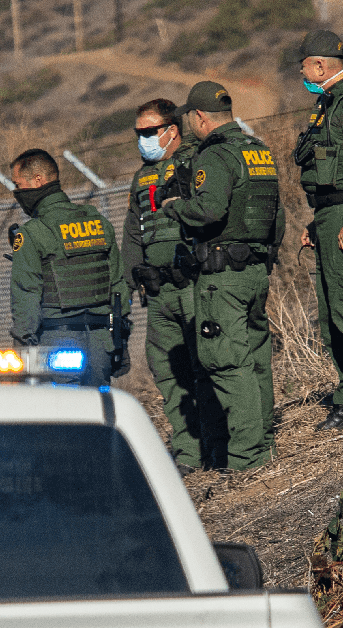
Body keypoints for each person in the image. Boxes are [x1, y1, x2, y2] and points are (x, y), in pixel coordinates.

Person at [161, 81, 284, 471]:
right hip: (255, 271)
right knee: (256, 358)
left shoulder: (214, 157)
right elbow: (276, 216)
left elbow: (209, 210)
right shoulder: (258, 151)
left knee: (227, 362)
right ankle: (264, 446)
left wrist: (175, 207)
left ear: (199, 117)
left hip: (223, 276)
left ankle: (248, 459)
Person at [123, 98, 222, 474]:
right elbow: (134, 232)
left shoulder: (198, 162)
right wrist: (131, 278)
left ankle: (217, 447)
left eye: (149, 132)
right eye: (138, 133)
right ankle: (188, 452)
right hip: (159, 291)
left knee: (205, 365)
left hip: (194, 284)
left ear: (172, 130)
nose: (143, 140)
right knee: (167, 370)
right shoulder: (141, 177)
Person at [8, 148, 130, 386]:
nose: (17, 192)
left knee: (65, 416)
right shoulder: (98, 223)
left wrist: (21, 348)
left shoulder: (32, 233)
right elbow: (118, 285)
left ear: (38, 181)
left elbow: (26, 295)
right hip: (101, 342)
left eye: (18, 184)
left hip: (58, 345)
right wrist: (121, 339)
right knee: (97, 415)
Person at [295, 30, 343, 431]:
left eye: (305, 65)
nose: (302, 72)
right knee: (331, 315)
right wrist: (317, 220)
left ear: (321, 65)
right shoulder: (325, 105)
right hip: (328, 217)